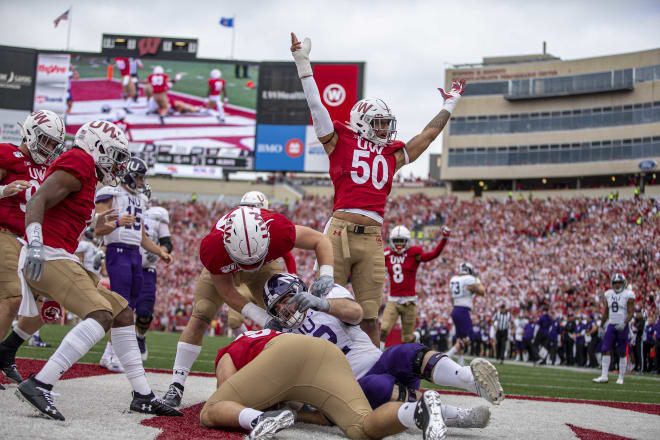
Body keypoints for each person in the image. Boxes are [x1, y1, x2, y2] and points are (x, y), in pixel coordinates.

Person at [291, 32, 466, 345]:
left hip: (373, 237)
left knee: (370, 315)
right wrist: (303, 63)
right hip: (340, 231)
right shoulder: (339, 140)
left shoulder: (390, 153)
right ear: (362, 121)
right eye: (380, 123)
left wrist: (449, 105)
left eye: (387, 123)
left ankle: (373, 378)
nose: (385, 128)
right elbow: (316, 106)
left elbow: (425, 137)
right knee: (325, 305)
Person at [15, 120, 181, 420]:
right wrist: (36, 243)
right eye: (116, 157)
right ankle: (40, 383)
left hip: (60, 255)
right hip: (48, 255)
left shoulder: (89, 175)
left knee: (122, 312)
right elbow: (37, 200)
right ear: (98, 147)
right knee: (100, 314)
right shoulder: (79, 159)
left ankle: (142, 395)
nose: (120, 166)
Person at [266, 273, 501, 426]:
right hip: (357, 386)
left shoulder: (323, 295)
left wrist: (323, 304)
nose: (284, 309)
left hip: (379, 361)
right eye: (277, 308)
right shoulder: (284, 337)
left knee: (405, 352)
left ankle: (471, 380)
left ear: (299, 290)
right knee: (377, 387)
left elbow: (356, 313)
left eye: (286, 299)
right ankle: (460, 416)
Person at [161, 205, 334, 408]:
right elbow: (227, 292)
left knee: (287, 315)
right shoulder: (214, 247)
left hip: (265, 266)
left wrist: (327, 273)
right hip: (226, 268)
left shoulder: (278, 229)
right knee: (202, 313)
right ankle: (177, 384)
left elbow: (320, 240)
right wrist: (263, 318)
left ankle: (299, 387)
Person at [201, 329, 449, 440]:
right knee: (361, 428)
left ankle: (258, 419)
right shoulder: (267, 335)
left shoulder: (231, 348)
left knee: (212, 410)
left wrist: (264, 406)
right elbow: (318, 414)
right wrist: (294, 411)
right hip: (326, 353)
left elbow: (226, 390)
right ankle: (415, 411)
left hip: (285, 356)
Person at [0, 110, 65, 384]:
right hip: (5, 232)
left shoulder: (50, 168)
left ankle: (5, 352)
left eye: (53, 144)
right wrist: (4, 191)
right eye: (45, 141)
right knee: (12, 298)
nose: (48, 148)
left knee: (52, 303)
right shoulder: (6, 153)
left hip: (32, 240)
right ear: (29, 132)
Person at [94, 156, 173, 365]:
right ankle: (110, 353)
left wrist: (161, 252)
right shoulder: (111, 193)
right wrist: (118, 222)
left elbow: (143, 238)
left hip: (135, 255)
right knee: (121, 305)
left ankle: (115, 353)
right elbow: (98, 229)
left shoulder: (141, 200)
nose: (141, 182)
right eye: (138, 177)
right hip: (117, 251)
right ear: (128, 174)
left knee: (130, 308)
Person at [226, 191, 297, 336]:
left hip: (265, 282)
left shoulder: (269, 230)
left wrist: (292, 277)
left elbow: (288, 256)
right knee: (233, 321)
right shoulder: (232, 230)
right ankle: (247, 345)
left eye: (253, 207)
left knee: (282, 318)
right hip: (243, 283)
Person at [380, 225, 450, 349]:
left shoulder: (414, 253)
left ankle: (417, 335)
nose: (399, 244)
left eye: (402, 241)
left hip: (409, 301)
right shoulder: (386, 255)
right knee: (384, 330)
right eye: (396, 241)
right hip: (393, 300)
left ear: (407, 241)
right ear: (391, 241)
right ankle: (377, 357)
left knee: (407, 339)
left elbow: (433, 254)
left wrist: (444, 238)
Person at [138, 198, 173, 360]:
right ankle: (112, 349)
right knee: (119, 309)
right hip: (125, 262)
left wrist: (160, 250)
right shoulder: (124, 206)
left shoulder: (157, 215)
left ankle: (140, 337)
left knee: (145, 312)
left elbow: (167, 242)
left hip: (147, 269)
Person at [593, 273, 635, 385]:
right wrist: (601, 325)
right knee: (605, 348)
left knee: (622, 352)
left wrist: (625, 323)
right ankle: (604, 376)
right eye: (615, 283)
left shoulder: (629, 294)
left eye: (619, 283)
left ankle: (621, 377)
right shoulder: (608, 294)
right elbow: (606, 312)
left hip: (622, 326)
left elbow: (631, 312)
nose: (617, 285)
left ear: (624, 283)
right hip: (611, 325)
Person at [446, 263, 485, 365]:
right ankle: (448, 355)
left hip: (455, 309)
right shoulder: (470, 279)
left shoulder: (454, 279)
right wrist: (475, 285)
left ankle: (460, 362)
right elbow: (482, 291)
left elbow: (452, 298)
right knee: (470, 336)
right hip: (463, 310)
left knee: (460, 338)